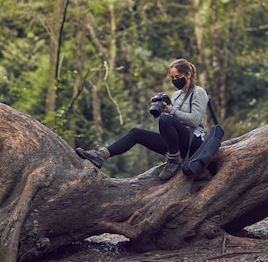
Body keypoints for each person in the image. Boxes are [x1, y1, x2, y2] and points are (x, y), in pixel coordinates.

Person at [75, 58, 209, 181]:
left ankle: (173, 161)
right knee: (136, 132)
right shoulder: (176, 95)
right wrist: (160, 107)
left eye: (178, 77)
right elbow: (171, 121)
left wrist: (170, 110)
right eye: (172, 78)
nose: (175, 80)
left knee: (166, 119)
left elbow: (195, 120)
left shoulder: (198, 92)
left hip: (193, 144)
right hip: (176, 145)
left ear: (188, 74)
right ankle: (101, 155)